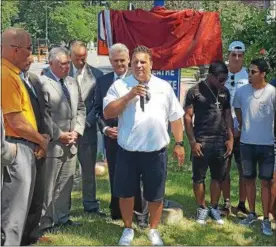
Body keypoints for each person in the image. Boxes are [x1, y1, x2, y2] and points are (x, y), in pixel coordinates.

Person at [103, 45, 185, 246]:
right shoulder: (120, 86)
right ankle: (128, 229)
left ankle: (153, 229)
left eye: (143, 61)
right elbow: (108, 112)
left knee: (155, 194)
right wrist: (130, 95)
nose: (139, 65)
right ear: (130, 64)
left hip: (155, 152)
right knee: (125, 193)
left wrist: (179, 143)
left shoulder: (163, 87)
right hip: (128, 151)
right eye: (135, 62)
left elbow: (175, 118)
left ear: (151, 64)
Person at [1, 27, 49, 246]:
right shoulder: (5, 75)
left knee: (20, 211)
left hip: (22, 145)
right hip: (16, 147)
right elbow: (15, 120)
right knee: (14, 214)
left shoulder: (12, 74)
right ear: (14, 50)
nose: (31, 54)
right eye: (28, 48)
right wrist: (40, 140)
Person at [94, 43, 149, 226]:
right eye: (115, 61)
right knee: (116, 175)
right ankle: (117, 210)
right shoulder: (102, 81)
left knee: (138, 175)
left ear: (129, 61)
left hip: (135, 137)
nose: (119, 64)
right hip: (112, 137)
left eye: (123, 60)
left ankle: (140, 214)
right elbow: (97, 110)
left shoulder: (138, 79)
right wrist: (105, 129)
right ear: (110, 61)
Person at [39, 47, 86, 231]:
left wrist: (77, 131)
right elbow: (43, 115)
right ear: (51, 64)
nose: (67, 67)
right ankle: (46, 221)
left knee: (66, 182)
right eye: (63, 64)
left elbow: (81, 108)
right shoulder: (42, 83)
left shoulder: (72, 83)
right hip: (53, 145)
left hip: (72, 142)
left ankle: (63, 217)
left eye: (68, 63)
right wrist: (59, 134)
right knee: (49, 185)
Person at [184, 61, 233, 225]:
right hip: (201, 141)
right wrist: (192, 141)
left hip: (220, 141)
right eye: (220, 79)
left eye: (225, 80)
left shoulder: (225, 92)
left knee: (218, 177)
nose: (223, 83)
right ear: (211, 76)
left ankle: (213, 207)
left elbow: (227, 116)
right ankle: (201, 208)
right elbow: (187, 117)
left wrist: (230, 138)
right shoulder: (195, 91)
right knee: (199, 177)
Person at [234, 59, 275, 236]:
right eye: (249, 71)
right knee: (248, 180)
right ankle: (252, 213)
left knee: (266, 182)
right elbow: (237, 109)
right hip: (246, 144)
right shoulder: (242, 92)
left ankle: (266, 219)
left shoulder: (272, 93)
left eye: (253, 72)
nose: (249, 75)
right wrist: (244, 125)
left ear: (263, 74)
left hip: (267, 144)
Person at [69, 41, 105, 215]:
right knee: (64, 172)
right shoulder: (60, 71)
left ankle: (90, 205)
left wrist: (82, 125)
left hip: (87, 130)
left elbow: (97, 105)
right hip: (65, 133)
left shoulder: (96, 75)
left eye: (84, 58)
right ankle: (62, 207)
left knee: (88, 172)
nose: (81, 62)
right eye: (78, 58)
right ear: (70, 57)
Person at [19, 56, 53, 245]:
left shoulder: (33, 79)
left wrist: (45, 138)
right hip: (23, 144)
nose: (30, 58)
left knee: (38, 192)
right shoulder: (10, 80)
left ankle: (32, 235)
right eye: (26, 53)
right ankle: (18, 236)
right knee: (21, 195)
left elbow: (45, 110)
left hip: (41, 143)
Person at [221, 41, 249, 215]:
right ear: (228, 55)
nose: (237, 58)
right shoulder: (220, 74)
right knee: (224, 168)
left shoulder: (249, 76)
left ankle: (241, 204)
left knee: (244, 170)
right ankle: (226, 203)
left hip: (244, 131)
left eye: (240, 55)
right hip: (222, 130)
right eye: (233, 55)